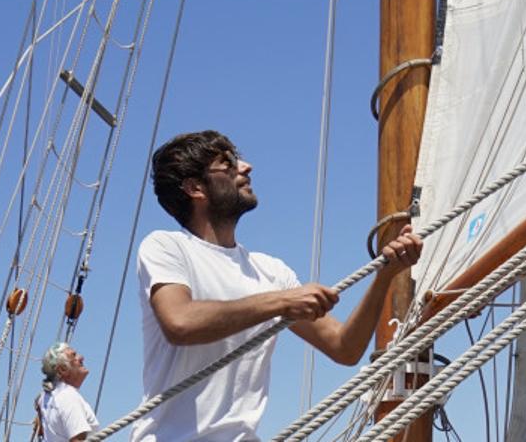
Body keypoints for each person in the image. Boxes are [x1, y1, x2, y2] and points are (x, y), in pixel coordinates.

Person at [132, 130, 423, 441]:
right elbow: (180, 322)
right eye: (228, 163)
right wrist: (282, 302)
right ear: (194, 188)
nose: (246, 167)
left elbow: (344, 348)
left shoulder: (271, 272)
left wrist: (385, 276)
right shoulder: (167, 247)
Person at [37, 342, 99, 442]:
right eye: (74, 356)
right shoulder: (68, 396)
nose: (81, 358)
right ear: (62, 370)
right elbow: (77, 440)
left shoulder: (45, 398)